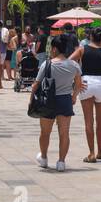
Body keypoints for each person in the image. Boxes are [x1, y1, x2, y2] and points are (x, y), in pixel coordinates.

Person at [32, 34, 82, 172]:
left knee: (45, 132)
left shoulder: (46, 64)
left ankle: (44, 158)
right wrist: (74, 96)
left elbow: (35, 85)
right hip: (65, 99)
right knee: (64, 133)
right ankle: (61, 162)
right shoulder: (74, 65)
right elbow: (78, 84)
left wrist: (32, 99)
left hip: (48, 101)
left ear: (54, 49)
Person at [71, 28, 101, 162]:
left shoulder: (82, 49)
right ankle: (100, 151)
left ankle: (91, 153)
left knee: (88, 121)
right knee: (100, 121)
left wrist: (77, 78)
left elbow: (69, 61)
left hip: (86, 82)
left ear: (91, 37)